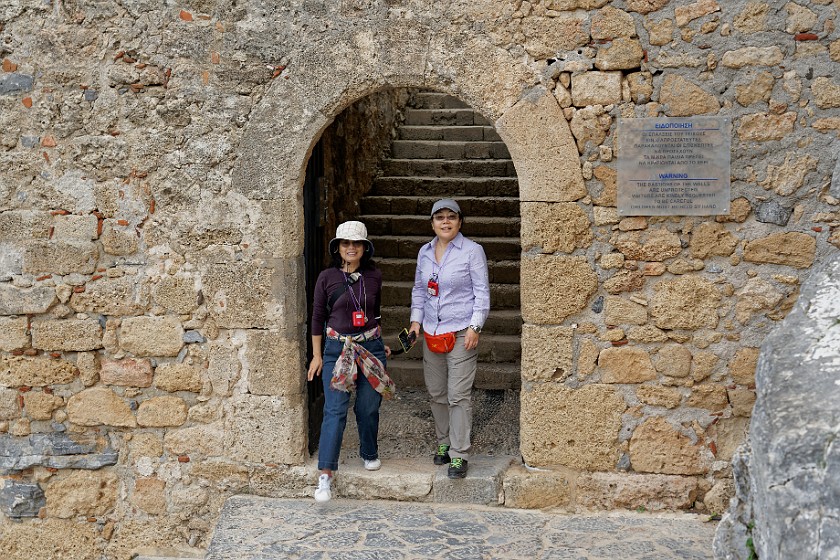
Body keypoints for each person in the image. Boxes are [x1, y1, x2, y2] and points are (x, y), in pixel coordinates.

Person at [308, 220, 395, 503]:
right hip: (337, 349)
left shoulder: (374, 276)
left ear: (364, 248)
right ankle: (325, 474)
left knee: (369, 405)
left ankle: (369, 452)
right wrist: (317, 355)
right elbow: (317, 318)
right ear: (338, 248)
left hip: (370, 346)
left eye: (356, 244)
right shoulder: (326, 278)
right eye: (346, 243)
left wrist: (382, 342)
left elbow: (376, 313)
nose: (351, 248)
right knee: (335, 410)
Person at [408, 199, 490, 479]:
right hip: (431, 331)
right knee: (437, 393)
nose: (445, 222)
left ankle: (459, 454)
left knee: (458, 395)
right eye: (440, 217)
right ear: (432, 223)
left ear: (459, 222)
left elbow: (482, 293)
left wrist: (475, 327)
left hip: (460, 333)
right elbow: (419, 289)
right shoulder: (425, 252)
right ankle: (443, 443)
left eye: (451, 217)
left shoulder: (472, 251)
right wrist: (415, 321)